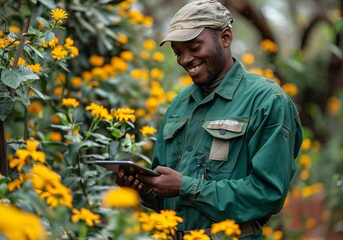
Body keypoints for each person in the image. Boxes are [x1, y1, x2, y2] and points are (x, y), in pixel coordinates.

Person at [116, 0, 303, 239]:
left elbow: (267, 194)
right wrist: (144, 190)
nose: (185, 60)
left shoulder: (267, 100)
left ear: (225, 38)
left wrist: (185, 187)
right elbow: (166, 200)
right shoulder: (179, 104)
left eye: (194, 47)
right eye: (178, 52)